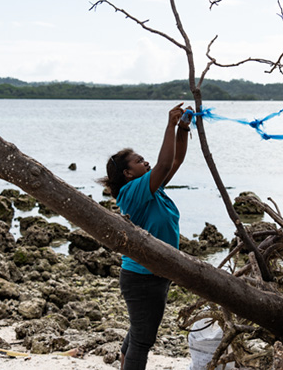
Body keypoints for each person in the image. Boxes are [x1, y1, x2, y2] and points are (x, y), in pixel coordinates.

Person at [99, 103, 193, 370]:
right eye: (140, 161)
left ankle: (123, 363)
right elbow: (164, 164)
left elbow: (174, 162)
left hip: (154, 273)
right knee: (143, 340)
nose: (147, 162)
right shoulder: (132, 193)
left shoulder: (152, 189)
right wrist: (170, 125)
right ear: (128, 174)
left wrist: (183, 130)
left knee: (139, 332)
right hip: (142, 277)